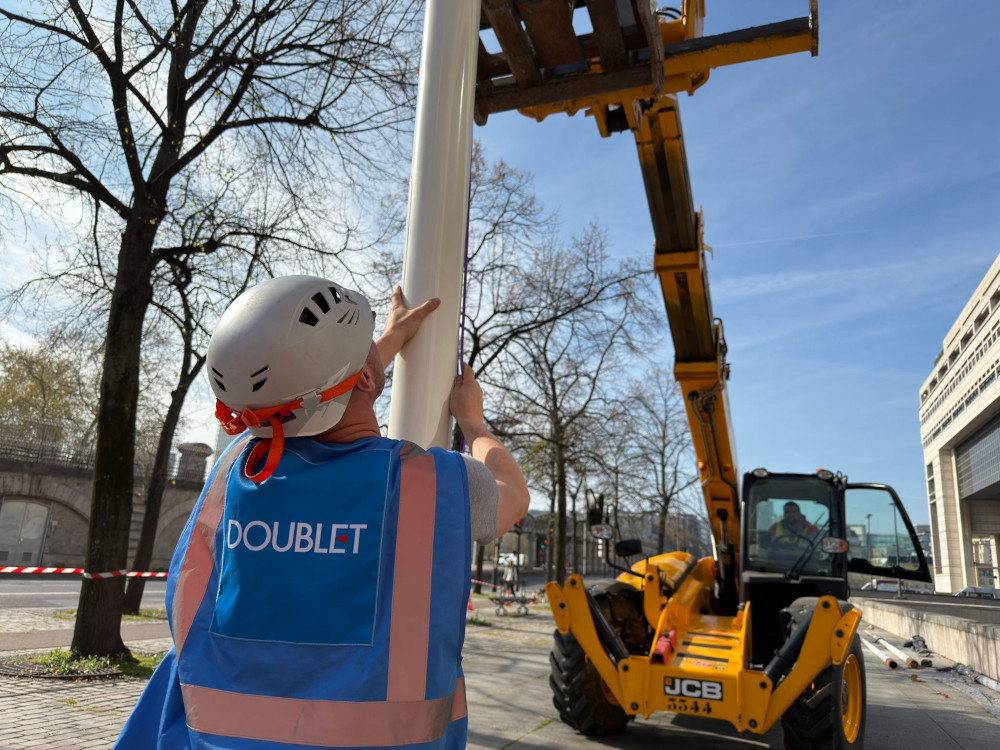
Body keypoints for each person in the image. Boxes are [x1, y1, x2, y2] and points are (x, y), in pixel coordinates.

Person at [115, 275, 530, 749]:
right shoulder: (436, 484)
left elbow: (303, 400)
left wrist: (389, 339)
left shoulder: (234, 471)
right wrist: (472, 421)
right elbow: (513, 494)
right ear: (370, 379)